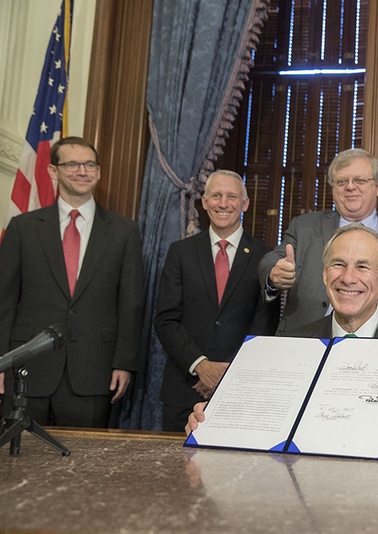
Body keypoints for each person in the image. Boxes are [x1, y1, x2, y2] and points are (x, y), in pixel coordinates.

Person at [189, 224, 378, 448]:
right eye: (338, 264)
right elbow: (252, 421)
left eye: (363, 266)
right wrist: (208, 421)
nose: (348, 278)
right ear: (323, 273)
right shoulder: (287, 346)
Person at [0, 136, 145, 427]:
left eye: (90, 164)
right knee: (19, 461)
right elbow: (3, 299)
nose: (83, 171)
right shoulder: (24, 228)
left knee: (84, 463)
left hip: (93, 370)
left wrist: (124, 363)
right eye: (73, 164)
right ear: (53, 171)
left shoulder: (123, 232)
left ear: (99, 171)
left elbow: (132, 303)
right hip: (27, 368)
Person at [155, 170, 279, 432]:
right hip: (184, 389)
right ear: (204, 201)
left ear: (244, 204)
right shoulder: (180, 252)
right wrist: (201, 367)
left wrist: (226, 374)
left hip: (241, 390)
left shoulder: (265, 256)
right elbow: (166, 319)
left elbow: (264, 325)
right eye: (216, 196)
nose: (223, 203)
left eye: (232, 196)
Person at [258, 148, 378, 331]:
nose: (350, 187)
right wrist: (274, 273)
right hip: (305, 338)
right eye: (341, 181)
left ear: (377, 187)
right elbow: (271, 260)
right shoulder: (304, 227)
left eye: (360, 180)